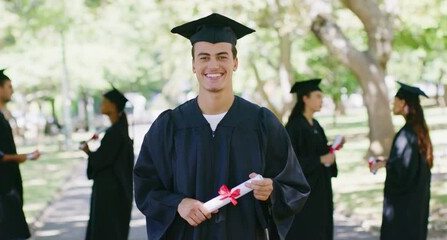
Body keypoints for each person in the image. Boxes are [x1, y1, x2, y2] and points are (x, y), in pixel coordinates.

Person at [133, 13, 310, 240]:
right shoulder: (170, 126)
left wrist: (272, 190)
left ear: (235, 63)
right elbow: (146, 186)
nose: (213, 65)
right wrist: (178, 203)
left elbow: (295, 187)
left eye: (222, 56)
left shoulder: (261, 123)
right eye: (204, 57)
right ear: (194, 65)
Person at [369, 82, 432, 240]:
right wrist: (389, 161)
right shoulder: (418, 131)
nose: (393, 103)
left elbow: (402, 170)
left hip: (404, 205)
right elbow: (409, 163)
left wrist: (385, 164)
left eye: (395, 100)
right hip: (417, 200)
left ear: (403, 103)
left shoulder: (407, 133)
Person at [285, 78, 343, 239]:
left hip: (321, 188)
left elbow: (321, 153)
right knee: (307, 230)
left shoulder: (316, 125)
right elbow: (289, 162)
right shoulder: (294, 127)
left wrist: (332, 150)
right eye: (317, 96)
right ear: (305, 98)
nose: (321, 100)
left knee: (322, 227)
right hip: (304, 193)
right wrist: (319, 160)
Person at [0, 69, 41, 239]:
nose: (12, 90)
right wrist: (18, 157)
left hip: (7, 184)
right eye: (9, 86)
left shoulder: (0, 115)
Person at [80, 88, 134, 240]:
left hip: (110, 194)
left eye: (104, 102)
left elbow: (100, 161)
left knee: (106, 231)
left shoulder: (115, 134)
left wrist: (88, 152)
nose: (101, 105)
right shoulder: (118, 130)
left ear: (112, 105)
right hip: (113, 191)